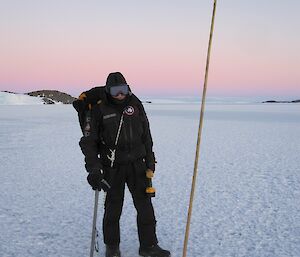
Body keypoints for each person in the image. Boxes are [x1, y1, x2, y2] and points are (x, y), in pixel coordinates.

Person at [78, 72, 170, 257]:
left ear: (128, 89)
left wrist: (150, 159)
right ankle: (112, 248)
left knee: (145, 207)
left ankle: (149, 246)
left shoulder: (135, 105)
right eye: (115, 91)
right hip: (112, 166)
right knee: (113, 208)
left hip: (138, 165)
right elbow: (89, 143)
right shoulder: (99, 109)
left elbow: (146, 135)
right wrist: (94, 170)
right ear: (108, 91)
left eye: (123, 90)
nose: (120, 95)